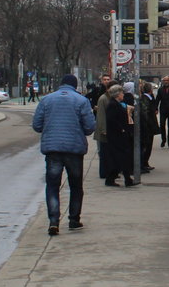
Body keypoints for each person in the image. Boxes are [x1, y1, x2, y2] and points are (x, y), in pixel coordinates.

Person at [31, 74, 96, 236]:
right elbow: (90, 127)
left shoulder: (46, 100)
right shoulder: (82, 101)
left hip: (53, 149)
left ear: (61, 84)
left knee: (53, 186)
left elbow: (37, 125)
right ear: (75, 85)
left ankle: (53, 221)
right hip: (74, 149)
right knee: (76, 186)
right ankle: (74, 220)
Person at [102, 84, 136, 187]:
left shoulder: (116, 104)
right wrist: (122, 129)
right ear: (117, 94)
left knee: (120, 158)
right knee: (121, 157)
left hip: (119, 136)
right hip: (117, 136)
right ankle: (125, 179)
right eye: (121, 93)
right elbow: (112, 120)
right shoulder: (113, 105)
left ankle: (120, 179)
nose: (123, 95)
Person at [93, 78, 118, 179]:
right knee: (103, 153)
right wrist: (104, 129)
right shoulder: (103, 99)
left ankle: (110, 171)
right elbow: (101, 115)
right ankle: (104, 172)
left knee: (109, 153)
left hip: (110, 130)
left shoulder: (111, 98)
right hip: (104, 131)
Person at [139, 81, 157, 172]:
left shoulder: (149, 97)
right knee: (147, 145)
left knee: (148, 145)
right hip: (148, 126)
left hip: (150, 125)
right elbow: (145, 113)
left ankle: (145, 163)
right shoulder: (145, 98)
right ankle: (144, 163)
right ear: (150, 89)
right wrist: (148, 125)